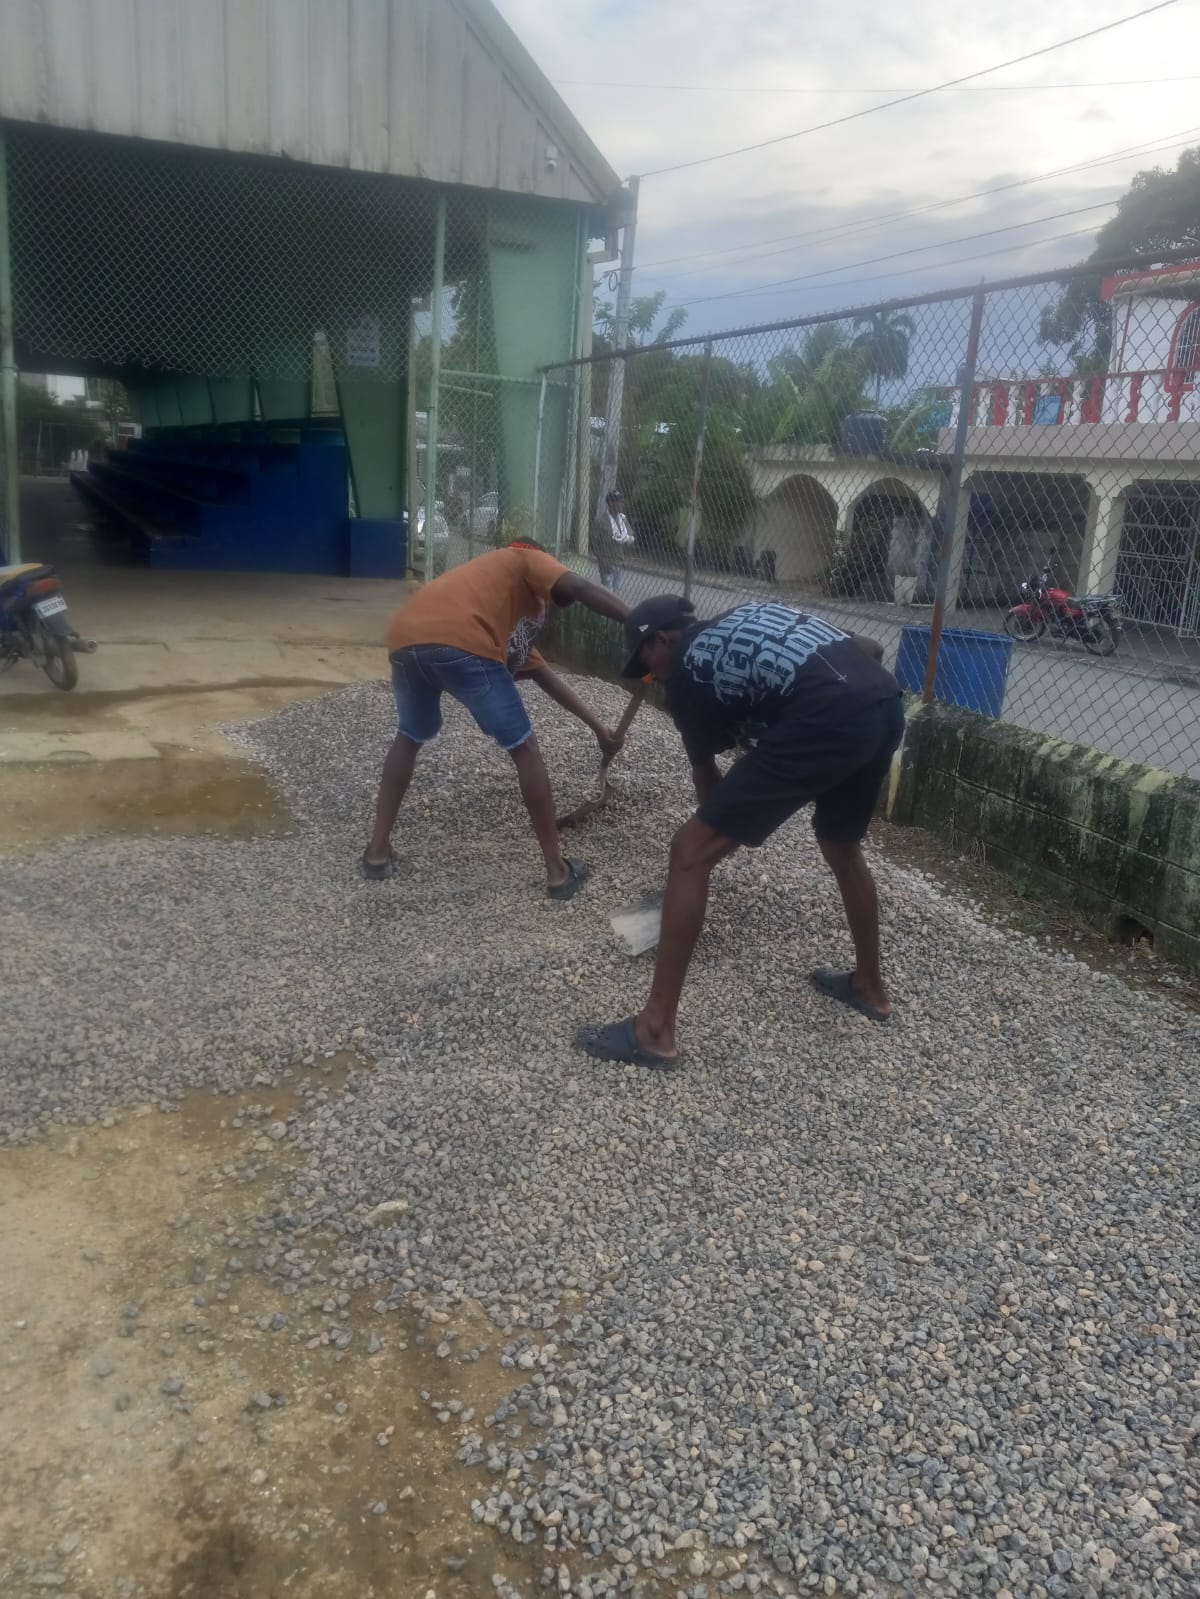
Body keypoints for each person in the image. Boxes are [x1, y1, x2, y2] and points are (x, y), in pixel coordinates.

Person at [578, 595, 904, 1067]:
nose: (648, 673)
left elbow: (707, 781)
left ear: (664, 640)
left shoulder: (691, 671)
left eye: (645, 660)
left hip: (827, 714)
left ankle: (653, 1032)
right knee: (841, 845)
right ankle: (870, 989)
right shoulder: (743, 618)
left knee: (688, 851)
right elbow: (869, 647)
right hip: (882, 702)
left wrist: (709, 849)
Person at [362, 543, 628, 898]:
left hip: (405, 640)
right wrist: (639, 619)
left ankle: (377, 853)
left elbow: (547, 678)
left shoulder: (490, 610)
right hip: (461, 642)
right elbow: (578, 588)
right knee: (525, 748)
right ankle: (557, 872)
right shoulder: (524, 556)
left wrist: (600, 730)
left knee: (409, 736)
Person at [590, 489, 635, 592]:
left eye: (622, 501)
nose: (622, 504)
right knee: (608, 593)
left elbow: (630, 536)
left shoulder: (623, 520)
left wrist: (628, 540)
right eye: (619, 502)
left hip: (620, 562)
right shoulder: (600, 521)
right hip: (607, 562)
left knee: (616, 592)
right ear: (611, 503)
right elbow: (593, 543)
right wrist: (602, 561)